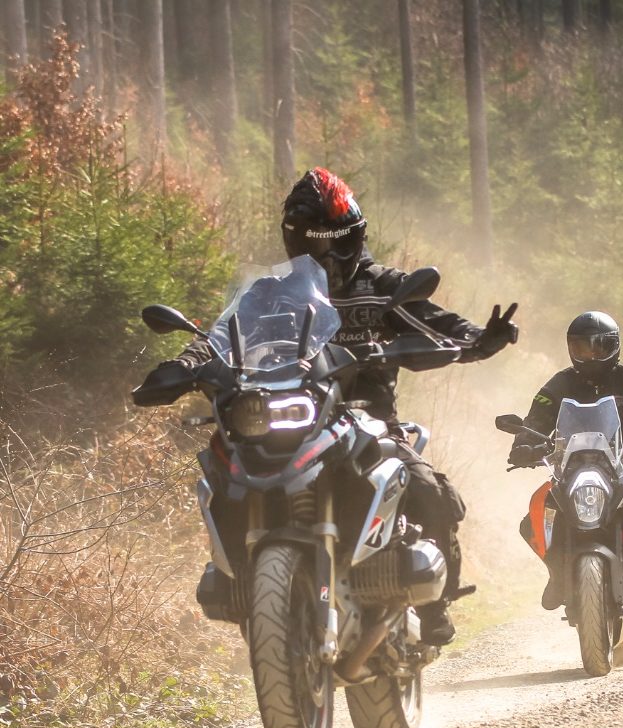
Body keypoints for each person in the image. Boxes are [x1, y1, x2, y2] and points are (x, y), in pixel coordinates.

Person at [139, 167, 518, 645]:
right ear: (293, 241)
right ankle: (247, 584)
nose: (329, 256)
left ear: (355, 238)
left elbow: (438, 325)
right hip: (287, 411)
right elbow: (221, 338)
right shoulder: (268, 292)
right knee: (224, 474)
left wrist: (481, 339)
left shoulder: (384, 286)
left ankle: (434, 607)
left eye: (338, 243)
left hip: (368, 418)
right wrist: (181, 366)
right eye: (313, 243)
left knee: (429, 490)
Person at [509, 310, 623, 609]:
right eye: (582, 347)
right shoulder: (559, 383)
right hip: (570, 467)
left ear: (614, 346)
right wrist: (523, 444)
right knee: (532, 522)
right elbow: (536, 419)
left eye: (599, 347)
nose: (590, 355)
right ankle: (557, 574)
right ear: (570, 348)